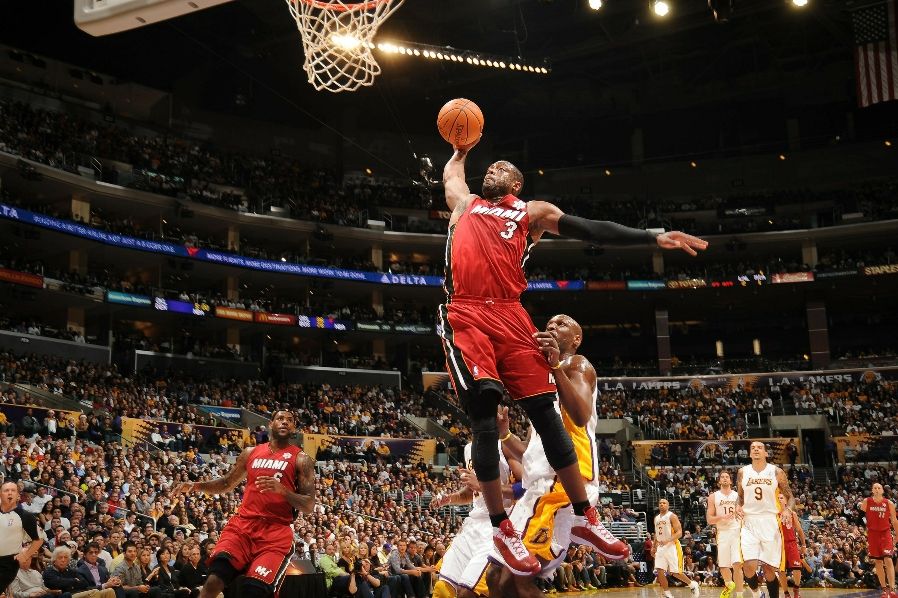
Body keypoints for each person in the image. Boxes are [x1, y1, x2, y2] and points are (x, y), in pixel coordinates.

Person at [439, 141, 707, 574]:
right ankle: (503, 527)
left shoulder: (532, 212)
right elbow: (452, 175)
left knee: (546, 411)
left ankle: (589, 516)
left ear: (517, 183)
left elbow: (591, 228)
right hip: (466, 311)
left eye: (502, 168)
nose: (492, 171)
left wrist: (652, 237)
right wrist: (459, 149)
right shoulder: (466, 203)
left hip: (511, 311)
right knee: (485, 409)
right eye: (489, 168)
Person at [486, 315, 630, 598]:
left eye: (562, 323)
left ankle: (584, 519)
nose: (552, 325)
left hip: (563, 484)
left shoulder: (577, 364)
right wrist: (504, 433)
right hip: (538, 486)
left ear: (576, 339)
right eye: (550, 323)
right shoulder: (543, 386)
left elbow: (579, 414)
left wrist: (554, 365)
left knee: (517, 581)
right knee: (496, 578)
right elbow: (529, 452)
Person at [173, 410, 315, 598]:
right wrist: (195, 486)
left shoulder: (301, 459)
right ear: (271, 424)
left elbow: (309, 505)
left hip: (276, 533)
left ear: (294, 428)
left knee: (254, 590)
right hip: (243, 527)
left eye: (290, 420)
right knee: (214, 581)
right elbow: (226, 483)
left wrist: (284, 491)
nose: (285, 422)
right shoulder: (251, 452)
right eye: (280, 419)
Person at [430, 433, 517, 598]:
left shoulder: (506, 444)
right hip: (473, 524)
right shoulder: (469, 448)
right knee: (443, 589)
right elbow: (472, 491)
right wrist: (451, 498)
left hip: (499, 523)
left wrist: (484, 485)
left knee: (469, 592)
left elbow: (524, 489)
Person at [736, 442, 795, 598]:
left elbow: (790, 497)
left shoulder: (776, 472)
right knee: (748, 566)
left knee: (769, 568)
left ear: (766, 453)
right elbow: (740, 497)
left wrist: (788, 509)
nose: (756, 449)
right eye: (753, 448)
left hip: (770, 521)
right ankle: (756, 593)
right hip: (749, 521)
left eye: (759, 448)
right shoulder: (743, 472)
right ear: (749, 454)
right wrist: (737, 506)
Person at [0, 482, 45, 597]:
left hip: (7, 563)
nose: (9, 493)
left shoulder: (26, 516)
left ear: (18, 496)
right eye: (6, 490)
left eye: (13, 490)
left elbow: (38, 540)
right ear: (0, 494)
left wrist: (25, 555)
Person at [652, 499, 700, 598]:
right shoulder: (656, 518)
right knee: (659, 571)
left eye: (664, 503)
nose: (662, 504)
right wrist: (654, 546)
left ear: (668, 505)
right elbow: (657, 533)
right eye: (660, 503)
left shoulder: (672, 516)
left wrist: (668, 540)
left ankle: (692, 584)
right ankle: (667, 594)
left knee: (675, 573)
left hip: (672, 546)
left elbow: (679, 533)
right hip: (660, 547)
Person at [858, 482, 898, 598]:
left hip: (885, 534)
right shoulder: (867, 501)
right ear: (872, 490)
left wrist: (897, 535)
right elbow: (860, 518)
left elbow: (894, 521)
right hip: (872, 534)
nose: (876, 489)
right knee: (878, 562)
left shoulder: (889, 503)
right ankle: (884, 590)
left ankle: (892, 589)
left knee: (888, 559)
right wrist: (864, 528)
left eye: (879, 488)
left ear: (882, 491)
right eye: (874, 488)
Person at [707, 471, 743, 598]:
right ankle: (729, 584)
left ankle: (739, 595)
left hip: (736, 530)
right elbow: (709, 519)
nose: (725, 479)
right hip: (722, 532)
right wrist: (721, 517)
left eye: (727, 477)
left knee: (737, 564)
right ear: (719, 481)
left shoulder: (737, 495)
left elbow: (744, 513)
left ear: (731, 481)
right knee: (723, 566)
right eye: (722, 477)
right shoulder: (713, 496)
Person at [43, 547, 116, 598]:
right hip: (66, 596)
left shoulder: (71, 570)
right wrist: (74, 581)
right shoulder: (49, 571)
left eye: (65, 558)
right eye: (60, 557)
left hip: (77, 593)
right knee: (94, 592)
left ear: (68, 561)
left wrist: (67, 583)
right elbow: (56, 582)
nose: (63, 560)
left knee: (109, 590)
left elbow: (84, 583)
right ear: (54, 560)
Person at [777, 498, 806, 598]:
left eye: (781, 498)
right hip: (779, 545)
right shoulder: (773, 514)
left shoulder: (792, 513)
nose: (779, 499)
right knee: (781, 570)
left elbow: (799, 529)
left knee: (797, 568)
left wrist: (803, 545)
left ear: (786, 501)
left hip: (791, 543)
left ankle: (796, 588)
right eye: (777, 498)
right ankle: (786, 593)